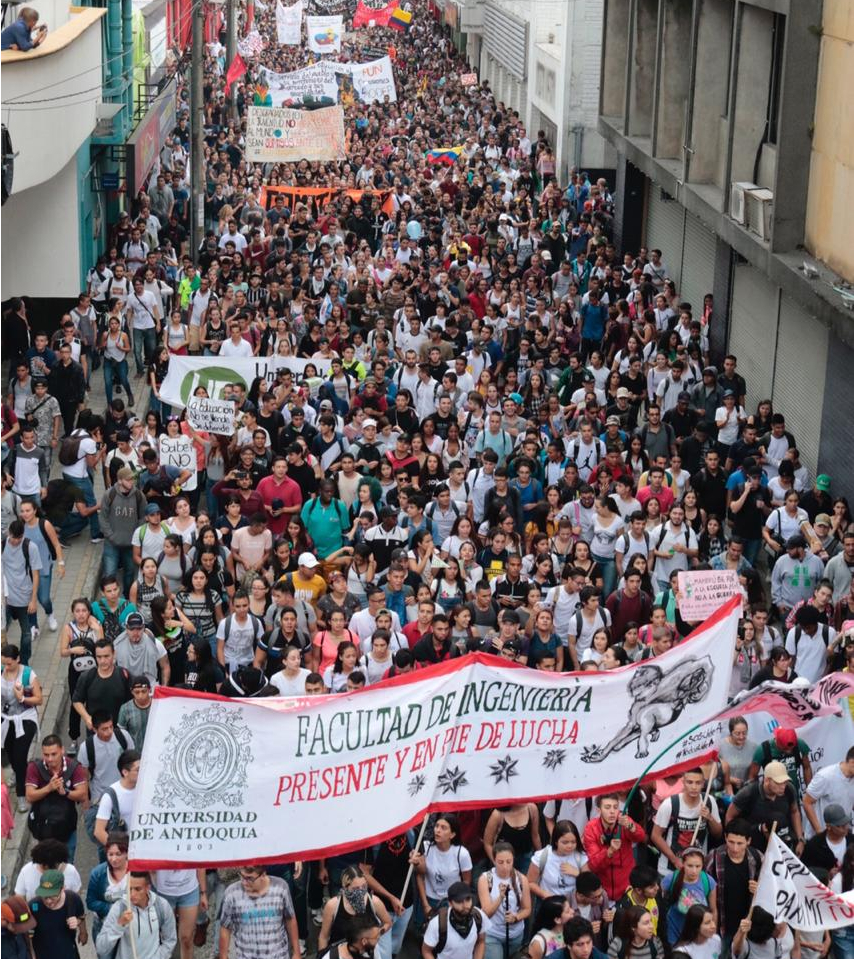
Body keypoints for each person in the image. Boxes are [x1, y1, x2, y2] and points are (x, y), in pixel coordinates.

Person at [25, 734, 87, 862]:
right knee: (45, 865)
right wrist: (49, 788)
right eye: (46, 755)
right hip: (43, 829)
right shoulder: (35, 767)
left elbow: (82, 794)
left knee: (67, 865)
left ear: (62, 750)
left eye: (54, 754)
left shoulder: (74, 767)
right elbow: (30, 796)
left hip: (67, 829)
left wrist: (65, 792)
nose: (50, 759)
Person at [704, 820, 762, 954]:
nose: (735, 848)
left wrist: (760, 889)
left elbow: (771, 889)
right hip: (722, 926)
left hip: (748, 927)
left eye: (740, 843)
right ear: (725, 838)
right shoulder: (714, 858)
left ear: (748, 841)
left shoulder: (757, 858)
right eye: (731, 842)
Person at [219, 864, 301, 959]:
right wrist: (223, 956)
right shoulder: (231, 894)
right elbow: (225, 927)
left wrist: (296, 952)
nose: (244, 882)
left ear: (263, 875)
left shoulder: (281, 888)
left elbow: (290, 919)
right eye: (242, 876)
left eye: (250, 878)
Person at [651, 769, 722, 875]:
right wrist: (674, 860)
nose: (694, 787)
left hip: (696, 869)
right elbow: (655, 836)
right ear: (683, 782)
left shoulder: (709, 801)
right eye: (690, 782)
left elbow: (718, 833)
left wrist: (709, 818)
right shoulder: (670, 804)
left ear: (703, 783)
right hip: (669, 869)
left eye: (698, 783)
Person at [96, 870, 178, 959]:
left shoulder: (162, 906)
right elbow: (101, 949)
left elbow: (170, 940)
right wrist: (119, 925)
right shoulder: (119, 908)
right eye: (129, 889)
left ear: (148, 888)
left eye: (138, 889)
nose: (132, 894)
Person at [1, 642, 42, 811]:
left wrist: (23, 699)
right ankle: (17, 773)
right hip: (6, 719)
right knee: (10, 752)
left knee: (20, 756)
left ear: (17, 659)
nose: (7, 666)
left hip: (25, 718)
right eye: (4, 663)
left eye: (9, 663)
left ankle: (21, 794)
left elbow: (39, 699)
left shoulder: (28, 674)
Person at [583, 794, 647, 901]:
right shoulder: (591, 828)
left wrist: (631, 826)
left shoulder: (624, 820)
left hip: (627, 887)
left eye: (615, 807)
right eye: (607, 807)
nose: (612, 811)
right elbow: (593, 864)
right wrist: (609, 851)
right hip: (602, 891)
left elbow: (640, 837)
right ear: (599, 810)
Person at [476, 841, 532, 959]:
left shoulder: (522, 879)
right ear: (494, 860)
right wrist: (500, 897)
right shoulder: (485, 879)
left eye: (509, 862)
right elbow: (486, 913)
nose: (505, 866)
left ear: (513, 860)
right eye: (500, 862)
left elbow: (527, 909)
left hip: (515, 934)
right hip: (492, 933)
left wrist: (516, 917)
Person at [2, 520, 42, 663]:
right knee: (2, 632)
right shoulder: (2, 544)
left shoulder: (30, 547)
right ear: (9, 533)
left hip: (24, 599)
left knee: (26, 634)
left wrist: (33, 600)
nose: (15, 541)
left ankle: (24, 662)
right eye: (13, 538)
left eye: (19, 538)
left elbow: (36, 574)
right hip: (5, 600)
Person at [28, 868, 88, 959]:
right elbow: (27, 933)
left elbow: (81, 915)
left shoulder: (72, 899)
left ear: (63, 888)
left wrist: (82, 931)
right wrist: (32, 955)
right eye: (45, 896)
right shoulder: (34, 905)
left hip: (68, 953)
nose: (48, 901)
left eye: (53, 896)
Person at [422, 881, 486, 959]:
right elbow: (426, 951)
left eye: (468, 899)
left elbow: (481, 941)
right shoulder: (437, 924)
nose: (465, 905)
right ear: (450, 903)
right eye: (459, 901)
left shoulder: (478, 916)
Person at [92, 749, 140, 853]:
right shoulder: (110, 795)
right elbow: (99, 831)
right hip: (124, 853)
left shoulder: (145, 789)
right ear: (125, 772)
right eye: (137, 770)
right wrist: (119, 852)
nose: (142, 772)